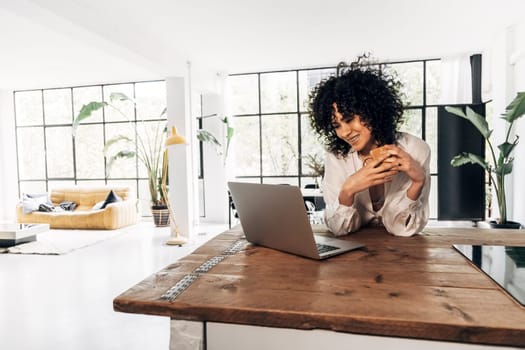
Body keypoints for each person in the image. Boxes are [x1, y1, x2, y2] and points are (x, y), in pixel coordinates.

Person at [308, 57, 430, 237]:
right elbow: (339, 228)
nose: (345, 132)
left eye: (349, 119)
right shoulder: (337, 157)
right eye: (336, 126)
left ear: (371, 110)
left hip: (404, 256)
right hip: (350, 256)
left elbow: (400, 228)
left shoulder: (415, 150)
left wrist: (418, 181)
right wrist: (348, 189)